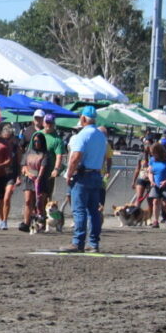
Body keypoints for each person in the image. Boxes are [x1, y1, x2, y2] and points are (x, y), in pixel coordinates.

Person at [62, 106, 108, 252]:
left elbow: (75, 157)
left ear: (83, 118)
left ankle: (78, 242)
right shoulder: (101, 136)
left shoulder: (82, 135)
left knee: (79, 210)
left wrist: (69, 174)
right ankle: (93, 243)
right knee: (93, 211)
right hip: (96, 174)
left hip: (83, 175)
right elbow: (103, 157)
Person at [18, 133, 48, 232]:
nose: (36, 143)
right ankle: (26, 223)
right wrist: (28, 173)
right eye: (35, 141)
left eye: (38, 141)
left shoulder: (44, 154)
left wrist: (38, 178)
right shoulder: (28, 152)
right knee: (28, 201)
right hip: (28, 178)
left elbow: (43, 167)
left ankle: (41, 224)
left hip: (40, 179)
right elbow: (24, 165)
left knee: (40, 202)